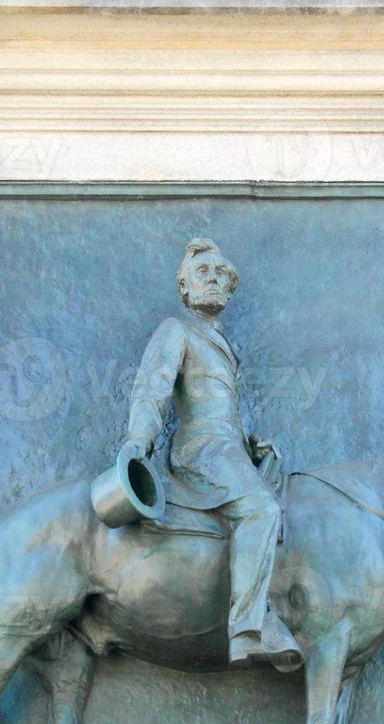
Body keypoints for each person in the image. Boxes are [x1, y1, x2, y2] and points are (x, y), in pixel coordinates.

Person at [120, 238, 302, 669]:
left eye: (222, 275)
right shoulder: (176, 330)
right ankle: (247, 629)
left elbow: (223, 410)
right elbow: (153, 389)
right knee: (259, 508)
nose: (214, 280)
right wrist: (138, 441)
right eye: (203, 274)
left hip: (227, 448)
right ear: (185, 288)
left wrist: (249, 444)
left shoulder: (222, 345)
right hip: (200, 449)